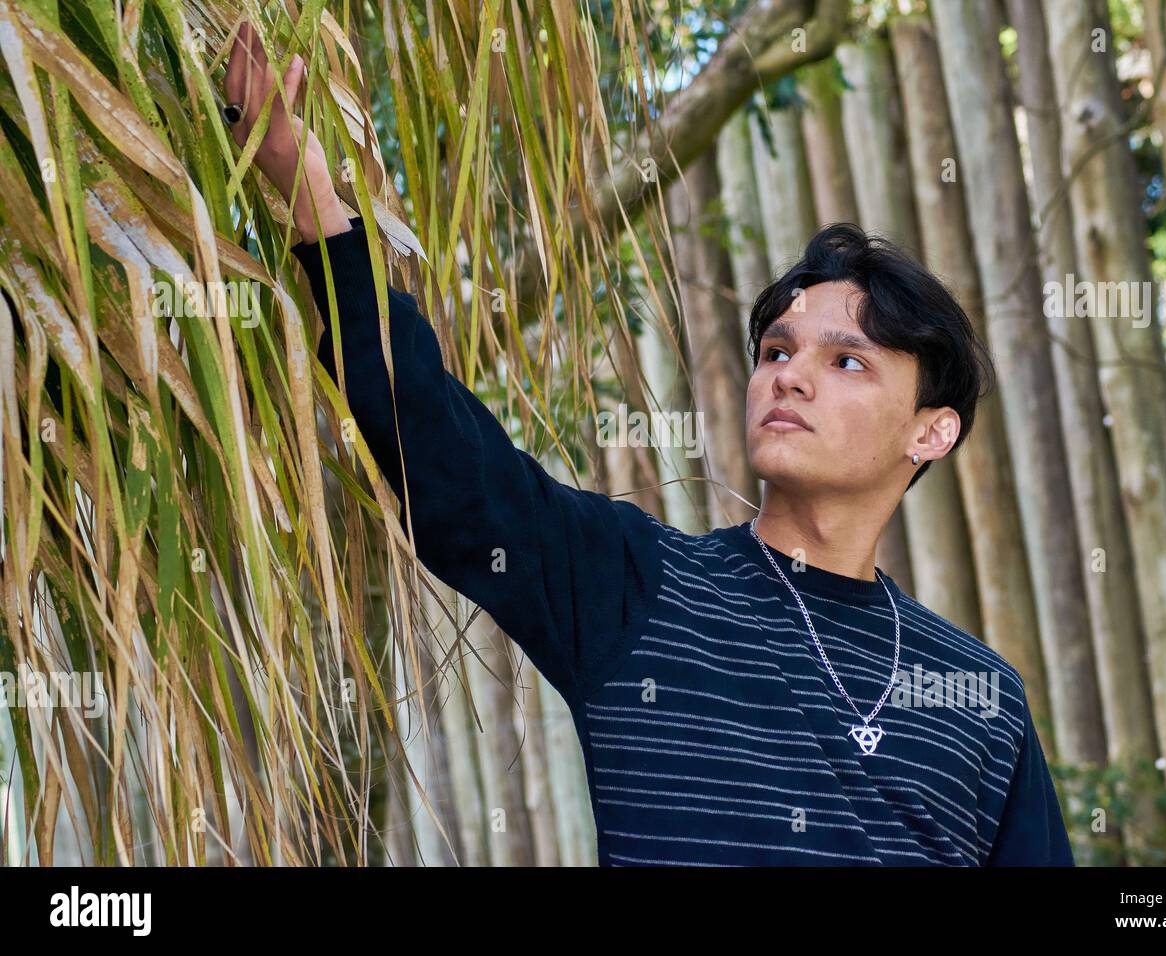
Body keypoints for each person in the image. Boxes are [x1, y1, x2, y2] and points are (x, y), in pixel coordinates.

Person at [223, 22, 1074, 866]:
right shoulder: (635, 586)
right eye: (776, 350)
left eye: (847, 360)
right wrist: (315, 204)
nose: (790, 376)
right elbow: (446, 463)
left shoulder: (980, 698)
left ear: (933, 430)